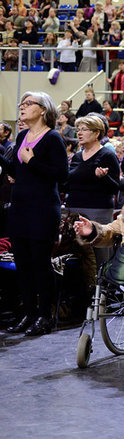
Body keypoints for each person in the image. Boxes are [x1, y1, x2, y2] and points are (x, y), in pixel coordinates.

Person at [0, 92, 68, 336]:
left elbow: (61, 174)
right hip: (20, 208)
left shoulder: (52, 138)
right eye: (22, 104)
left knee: (40, 265)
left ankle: (44, 316)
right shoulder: (21, 136)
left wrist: (31, 161)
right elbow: (18, 171)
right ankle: (28, 314)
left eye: (28, 104)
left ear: (43, 110)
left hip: (42, 209)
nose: (22, 107)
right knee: (23, 265)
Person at [64, 114, 120, 266]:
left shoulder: (107, 155)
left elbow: (115, 188)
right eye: (78, 129)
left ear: (96, 133)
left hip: (98, 211)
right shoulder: (76, 156)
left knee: (99, 254)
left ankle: (99, 288)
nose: (79, 133)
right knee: (76, 254)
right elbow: (68, 183)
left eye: (84, 129)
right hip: (75, 209)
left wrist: (103, 177)